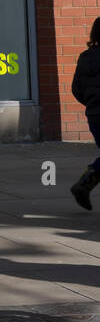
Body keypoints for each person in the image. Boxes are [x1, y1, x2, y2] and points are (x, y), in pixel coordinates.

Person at [68, 16, 100, 211]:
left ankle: (85, 184)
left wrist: (91, 103)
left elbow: (76, 88)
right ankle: (84, 184)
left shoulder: (85, 57)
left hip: (95, 115)